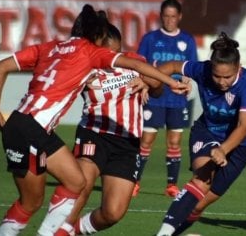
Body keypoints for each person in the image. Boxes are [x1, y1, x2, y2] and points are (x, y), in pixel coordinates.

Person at [0, 4, 188, 236]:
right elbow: (134, 66)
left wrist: (152, 81)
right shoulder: (91, 56)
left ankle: (59, 232)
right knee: (74, 185)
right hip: (88, 133)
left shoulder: (52, 47)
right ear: (99, 41)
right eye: (109, 51)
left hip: (36, 126)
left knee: (47, 198)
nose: (112, 57)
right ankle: (52, 234)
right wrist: (173, 82)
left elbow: (3, 65)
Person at [54, 23, 167, 235]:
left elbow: (159, 89)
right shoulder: (85, 66)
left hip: (128, 142)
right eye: (108, 51)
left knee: (113, 212)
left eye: (117, 50)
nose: (114, 56)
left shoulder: (136, 62)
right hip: (94, 133)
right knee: (82, 185)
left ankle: (72, 231)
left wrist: (147, 81)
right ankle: (56, 231)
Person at [154, 32, 246, 236]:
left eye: (227, 77)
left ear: (238, 68)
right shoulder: (202, 69)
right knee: (202, 180)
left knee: (198, 205)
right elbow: (172, 66)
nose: (221, 82)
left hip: (241, 146)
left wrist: (223, 150)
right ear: (210, 68)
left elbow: (244, 126)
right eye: (217, 76)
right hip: (207, 132)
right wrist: (156, 82)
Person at [133, 0, 199, 197]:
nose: (169, 20)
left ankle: (171, 185)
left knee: (175, 142)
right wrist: (144, 86)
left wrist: (187, 83)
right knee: (146, 141)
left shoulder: (187, 40)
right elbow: (139, 65)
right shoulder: (150, 39)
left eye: (173, 16)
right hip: (154, 97)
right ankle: (134, 182)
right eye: (166, 16)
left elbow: (191, 68)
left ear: (179, 17)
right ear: (161, 17)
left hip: (177, 99)